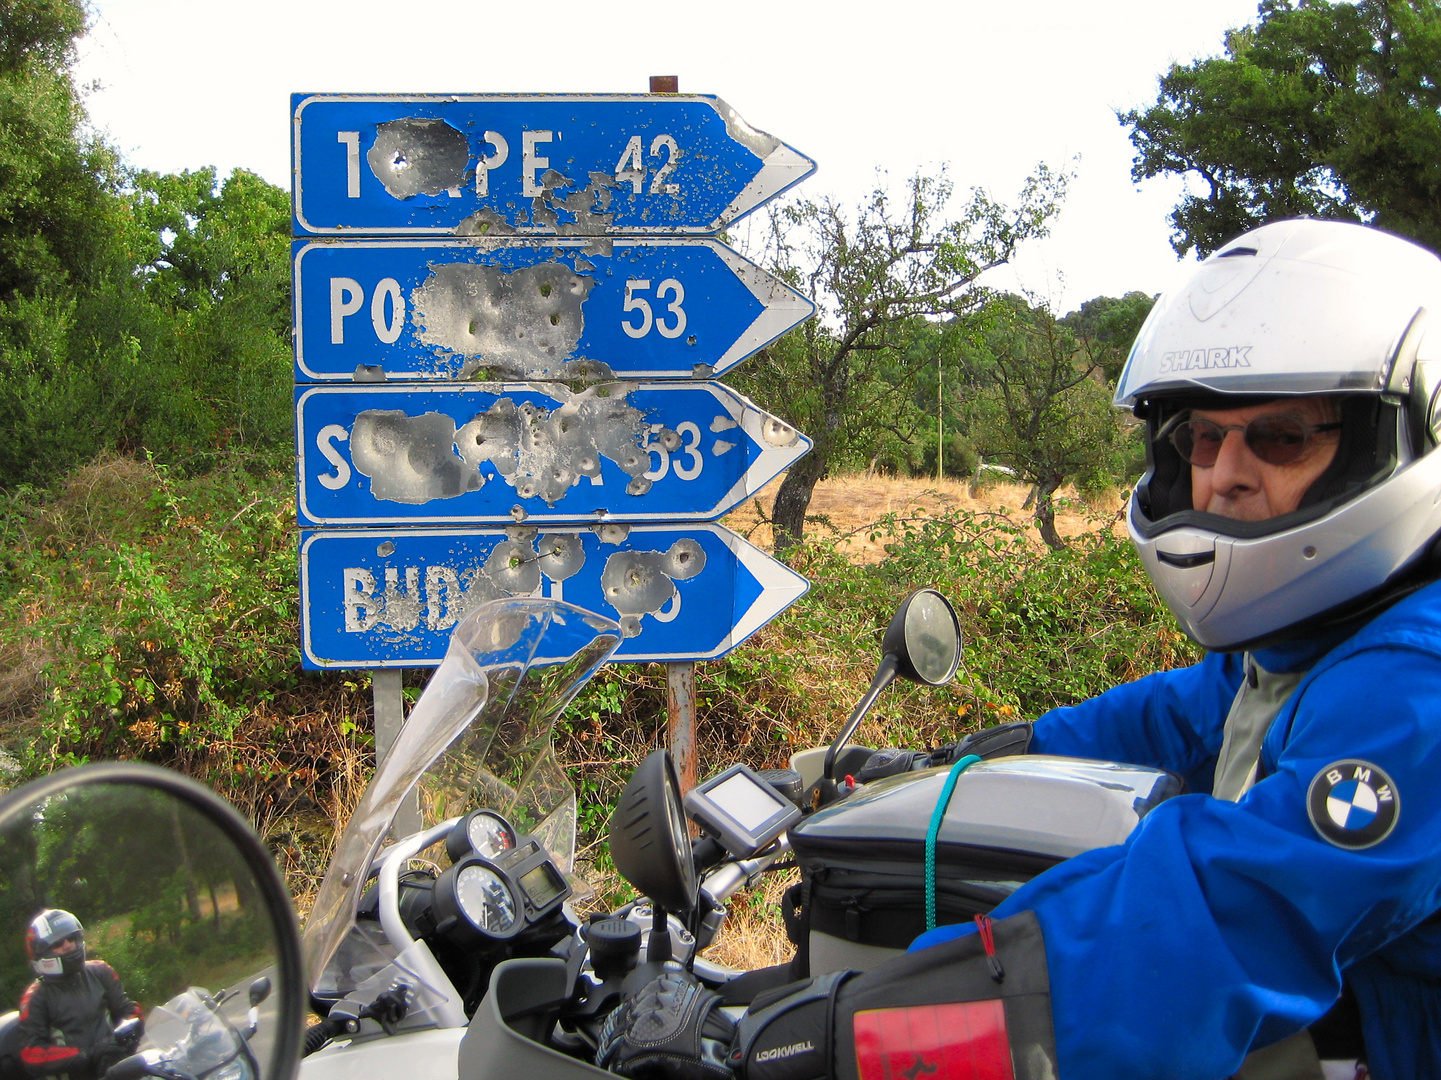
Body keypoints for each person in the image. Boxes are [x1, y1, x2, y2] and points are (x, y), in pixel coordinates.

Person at [600, 219, 1441, 1080]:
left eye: (1280, 438)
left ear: (1396, 442)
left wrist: (837, 1031)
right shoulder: (1308, 648)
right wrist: (935, 766)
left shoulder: (1415, 687)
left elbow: (1214, 925)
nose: (1221, 473)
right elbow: (1154, 722)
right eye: (1200, 439)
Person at [17, 910, 141, 1080]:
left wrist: (127, 1034)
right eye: (58, 942)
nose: (68, 945)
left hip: (118, 1068)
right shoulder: (36, 997)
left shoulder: (100, 971)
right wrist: (86, 1055)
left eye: (72, 938)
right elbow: (32, 1054)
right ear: (42, 951)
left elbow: (128, 1009)